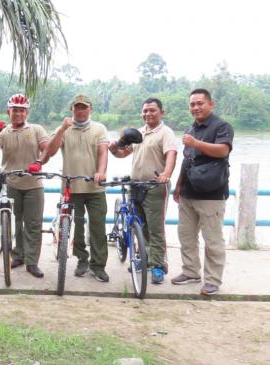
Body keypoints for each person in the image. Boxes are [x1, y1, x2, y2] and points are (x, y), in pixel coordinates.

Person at [171, 88, 234, 296]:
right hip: (188, 191)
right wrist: (178, 184)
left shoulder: (222, 126)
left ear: (211, 104)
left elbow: (223, 150)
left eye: (200, 103)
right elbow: (187, 159)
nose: (196, 107)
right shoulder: (191, 128)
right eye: (192, 104)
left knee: (212, 239)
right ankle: (190, 271)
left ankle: (213, 280)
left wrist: (196, 143)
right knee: (186, 236)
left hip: (211, 193)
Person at [108, 98, 177, 284]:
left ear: (161, 112)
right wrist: (113, 149)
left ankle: (158, 266)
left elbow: (171, 154)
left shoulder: (165, 132)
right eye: (145, 110)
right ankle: (145, 260)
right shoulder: (138, 133)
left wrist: (166, 174)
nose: (148, 113)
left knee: (156, 229)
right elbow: (123, 153)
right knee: (139, 225)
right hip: (135, 185)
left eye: (152, 110)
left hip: (155, 186)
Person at [45, 94, 110, 282]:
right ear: (72, 110)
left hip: (95, 187)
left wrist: (101, 172)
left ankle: (98, 265)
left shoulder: (99, 129)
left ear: (90, 109)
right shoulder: (64, 128)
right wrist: (62, 129)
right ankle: (82, 259)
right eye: (77, 108)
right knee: (77, 226)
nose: (80, 111)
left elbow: (103, 152)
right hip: (71, 187)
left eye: (84, 107)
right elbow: (50, 150)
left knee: (98, 226)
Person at [0, 93, 50, 278]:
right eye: (15, 110)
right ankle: (18, 255)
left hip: (34, 184)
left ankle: (32, 262)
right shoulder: (4, 132)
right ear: (9, 111)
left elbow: (46, 147)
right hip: (11, 183)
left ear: (27, 112)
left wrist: (40, 161)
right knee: (14, 223)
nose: (18, 114)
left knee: (33, 224)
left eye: (22, 110)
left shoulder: (37, 129)